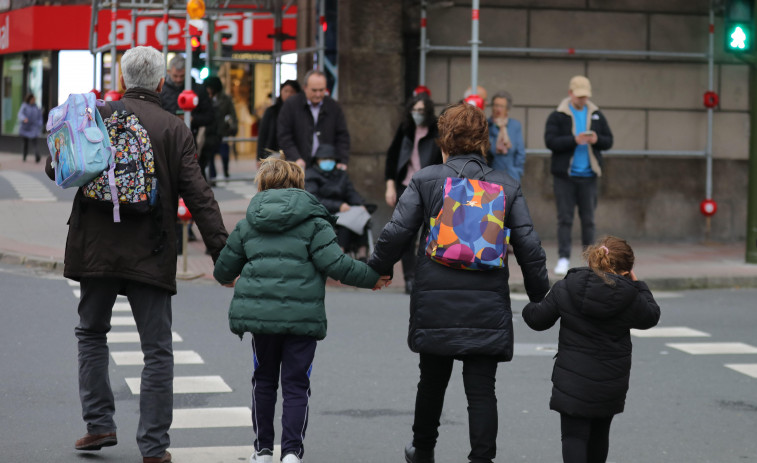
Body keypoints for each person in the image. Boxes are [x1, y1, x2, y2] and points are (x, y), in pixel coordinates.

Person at [44, 46, 229, 463]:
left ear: (123, 80)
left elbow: (57, 170)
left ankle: (99, 425)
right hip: (153, 248)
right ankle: (154, 447)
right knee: (157, 350)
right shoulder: (174, 128)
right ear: (162, 83)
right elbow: (199, 196)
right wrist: (222, 254)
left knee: (92, 333)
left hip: (96, 247)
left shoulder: (97, 116)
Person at [367, 103, 550, 463]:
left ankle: (423, 451)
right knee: (482, 391)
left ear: (443, 140)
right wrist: (540, 297)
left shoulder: (426, 180)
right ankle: (481, 458)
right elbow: (529, 246)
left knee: (431, 382)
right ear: (483, 141)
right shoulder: (506, 186)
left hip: (436, 300)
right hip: (487, 303)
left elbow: (395, 233)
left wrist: (378, 269)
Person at [213, 158, 388, 463]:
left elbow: (223, 270)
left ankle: (263, 450)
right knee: (296, 384)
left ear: (263, 184)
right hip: (302, 318)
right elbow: (337, 265)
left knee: (264, 381)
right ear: (299, 185)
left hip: (262, 318)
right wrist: (372, 279)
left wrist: (230, 279)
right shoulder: (315, 222)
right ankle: (292, 452)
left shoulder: (248, 222)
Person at [522, 236, 660, 463]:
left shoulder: (567, 287)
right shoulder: (631, 296)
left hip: (572, 381)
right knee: (599, 435)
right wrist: (639, 285)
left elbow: (538, 320)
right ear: (627, 271)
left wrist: (531, 305)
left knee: (573, 436)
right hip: (609, 381)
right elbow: (651, 316)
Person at [545, 75, 613, 276]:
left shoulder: (596, 114)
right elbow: (550, 141)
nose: (583, 100)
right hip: (565, 176)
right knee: (565, 219)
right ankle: (563, 257)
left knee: (589, 219)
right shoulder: (558, 115)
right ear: (570, 93)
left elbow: (609, 141)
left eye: (585, 96)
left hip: (589, 175)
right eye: (579, 96)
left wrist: (596, 139)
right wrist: (574, 140)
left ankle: (591, 260)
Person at [384, 92, 443, 294]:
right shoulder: (406, 129)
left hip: (429, 187)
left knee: (428, 234)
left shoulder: (436, 131)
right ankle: (409, 278)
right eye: (414, 110)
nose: (417, 114)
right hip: (406, 187)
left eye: (421, 111)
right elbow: (391, 158)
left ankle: (422, 276)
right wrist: (390, 186)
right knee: (406, 235)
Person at [277, 70, 350, 169]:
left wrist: (342, 160)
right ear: (305, 88)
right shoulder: (291, 106)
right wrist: (295, 158)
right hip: (298, 166)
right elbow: (284, 135)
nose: (318, 94)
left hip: (327, 167)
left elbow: (342, 136)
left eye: (322, 90)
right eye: (314, 90)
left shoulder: (334, 107)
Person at [305, 144, 368, 257]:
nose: (328, 161)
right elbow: (314, 199)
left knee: (361, 219)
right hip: (323, 213)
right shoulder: (310, 175)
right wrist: (338, 205)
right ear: (317, 160)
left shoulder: (341, 174)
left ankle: (362, 254)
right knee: (345, 223)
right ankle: (339, 255)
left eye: (331, 159)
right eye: (324, 159)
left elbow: (350, 192)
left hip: (345, 211)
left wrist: (360, 203)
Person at [159, 54, 214, 158]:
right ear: (169, 72)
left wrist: (193, 119)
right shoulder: (160, 90)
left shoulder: (198, 90)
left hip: (190, 139)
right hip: (166, 140)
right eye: (175, 76)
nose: (179, 79)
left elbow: (210, 116)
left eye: (182, 76)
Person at [202, 76, 238, 181]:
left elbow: (232, 114)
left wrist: (233, 127)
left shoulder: (225, 99)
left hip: (222, 131)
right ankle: (212, 177)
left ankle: (226, 171)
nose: (209, 90)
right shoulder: (204, 97)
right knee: (210, 156)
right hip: (209, 131)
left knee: (224, 153)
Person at [257, 79, 301, 163]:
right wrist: (259, 157)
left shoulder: (301, 112)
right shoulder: (272, 111)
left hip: (295, 156)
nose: (288, 94)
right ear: (281, 92)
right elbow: (263, 135)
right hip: (273, 155)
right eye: (286, 91)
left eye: (292, 91)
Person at [487, 91, 525, 182]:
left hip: (512, 175)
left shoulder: (514, 125)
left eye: (501, 106)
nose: (498, 109)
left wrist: (518, 171)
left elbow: (520, 152)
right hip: (491, 176)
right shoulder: (487, 125)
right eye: (496, 105)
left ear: (507, 109)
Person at [18, 93, 43, 163]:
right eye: (32, 99)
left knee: (35, 143)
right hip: (25, 128)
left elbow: (39, 117)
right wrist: (24, 118)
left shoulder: (36, 107)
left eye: (34, 99)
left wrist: (39, 124)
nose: (33, 101)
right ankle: (24, 156)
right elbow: (20, 114)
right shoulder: (24, 106)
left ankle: (37, 156)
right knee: (25, 143)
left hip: (33, 128)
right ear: (29, 99)